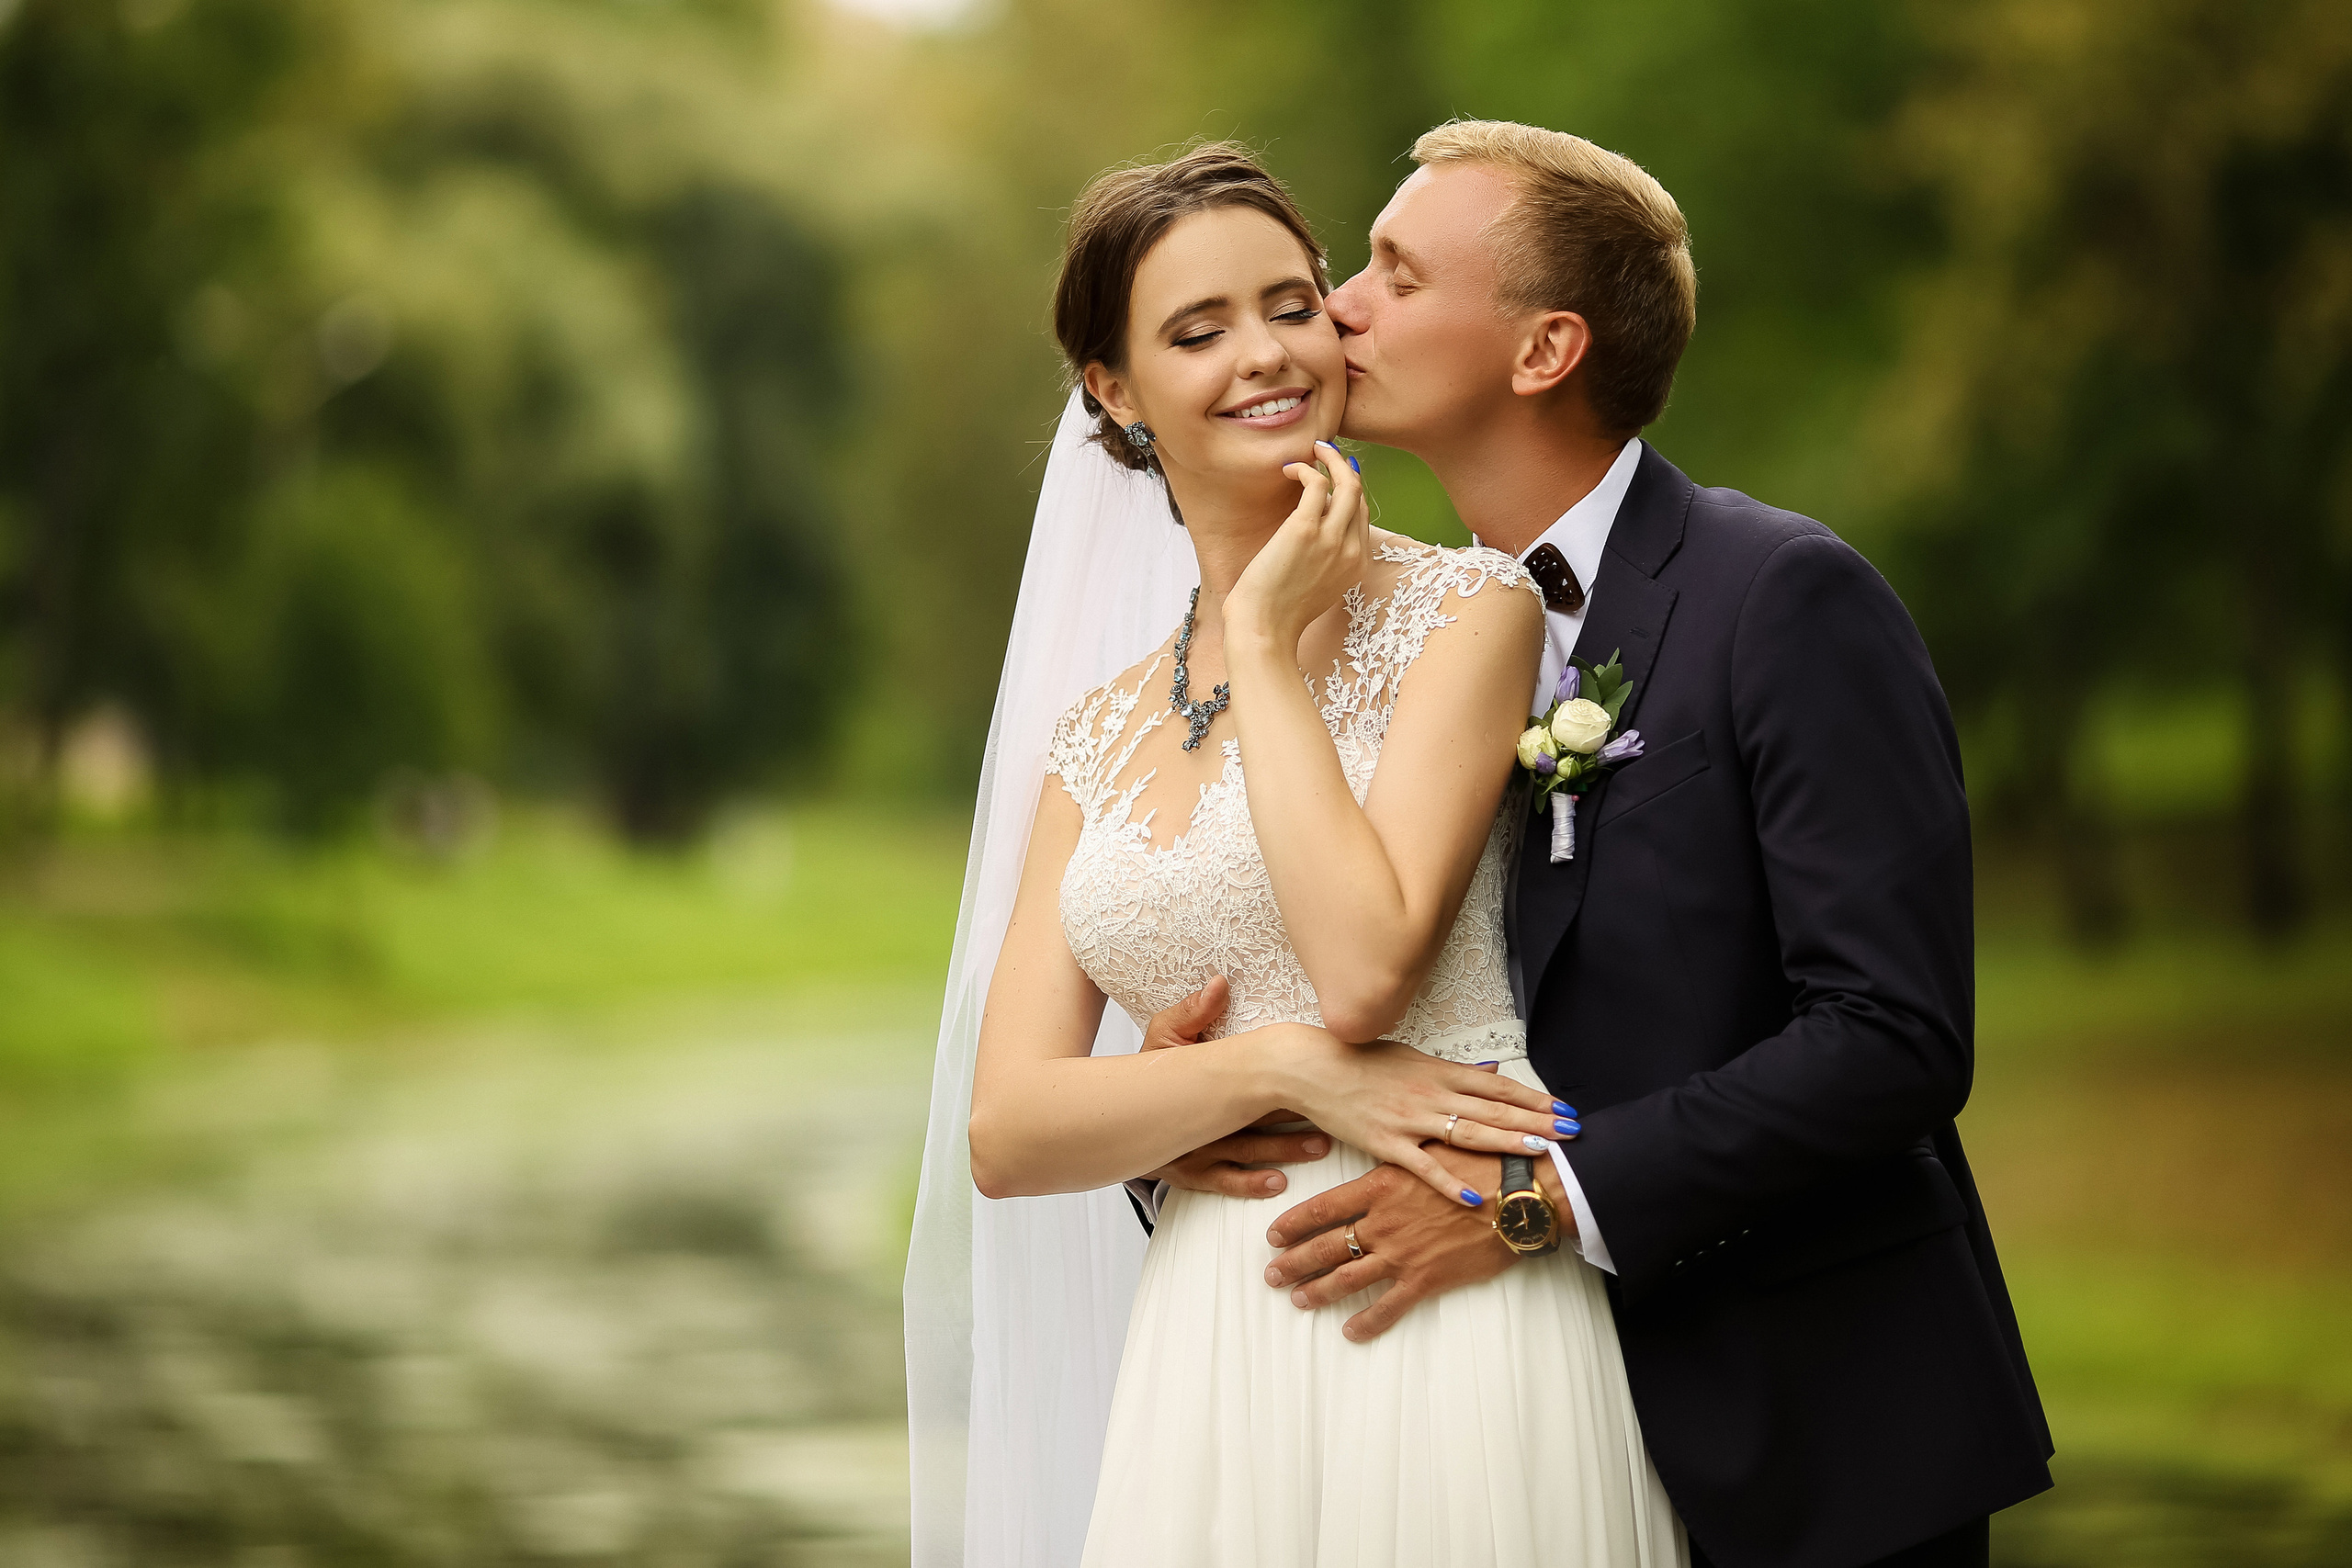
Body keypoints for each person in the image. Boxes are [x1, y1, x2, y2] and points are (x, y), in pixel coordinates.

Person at [1145, 121, 2054, 1568]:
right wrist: (1207, 1120)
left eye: (1392, 271)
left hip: (1809, 1426)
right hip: (1485, 1429)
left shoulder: (1785, 598)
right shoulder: (1392, 645)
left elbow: (1891, 1036)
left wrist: (1533, 1203)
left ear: (1543, 350)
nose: (1339, 308)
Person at [911, 142, 1685, 1567]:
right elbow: (1008, 1134)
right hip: (1215, 1326)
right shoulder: (1092, 733)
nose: (1266, 352)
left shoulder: (1470, 614)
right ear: (1115, 394)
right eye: (1197, 332)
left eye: (1290, 301)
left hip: (1453, 1303)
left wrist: (1263, 643)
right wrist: (1266, 1075)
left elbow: (1363, 972)